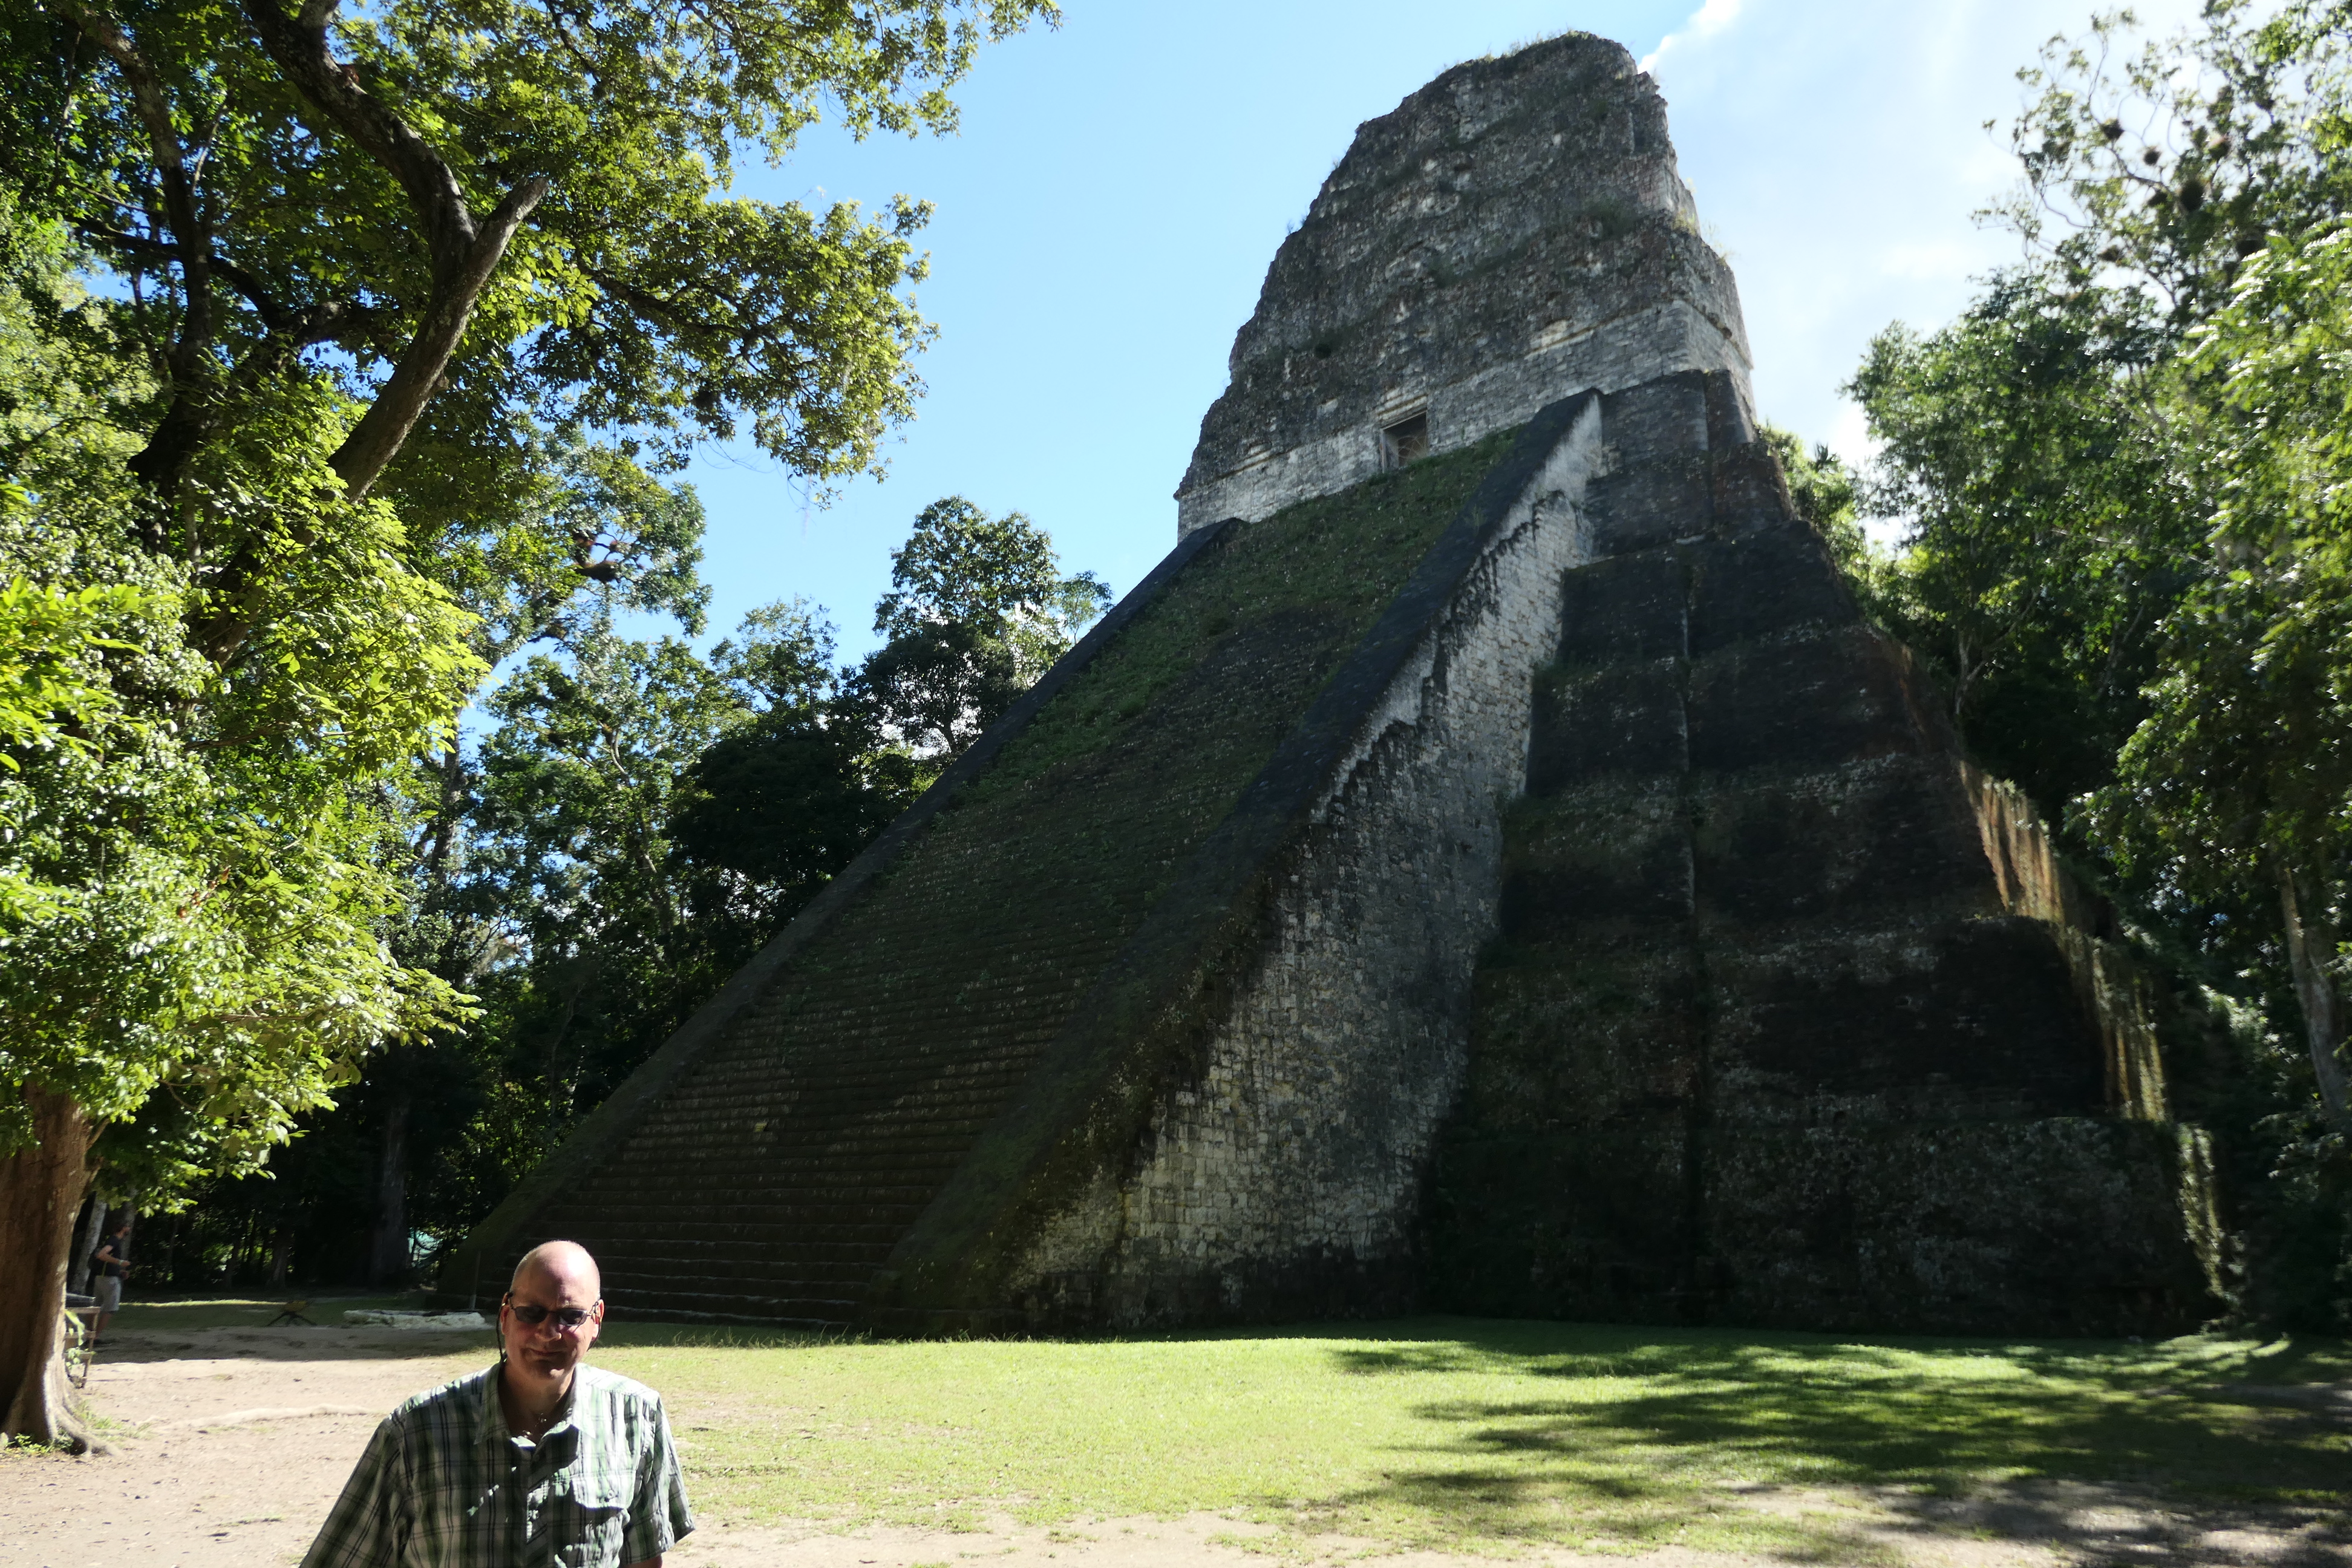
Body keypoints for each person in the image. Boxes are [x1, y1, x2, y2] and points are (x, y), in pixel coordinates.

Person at [301, 1241, 693, 1568]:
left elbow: (644, 1558)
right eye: (531, 1313)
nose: (548, 1332)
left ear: (597, 1320)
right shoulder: (416, 1432)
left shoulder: (637, 1416)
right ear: (505, 1316)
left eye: (570, 1315)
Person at [88, 1216, 130, 1342]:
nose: (129, 1229)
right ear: (123, 1229)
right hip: (110, 1281)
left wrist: (120, 1271)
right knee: (111, 1309)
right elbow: (102, 1255)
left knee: (96, 1307)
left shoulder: (109, 1240)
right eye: (128, 1226)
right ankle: (95, 1337)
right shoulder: (114, 1241)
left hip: (100, 1278)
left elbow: (106, 1260)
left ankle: (89, 1335)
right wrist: (120, 1262)